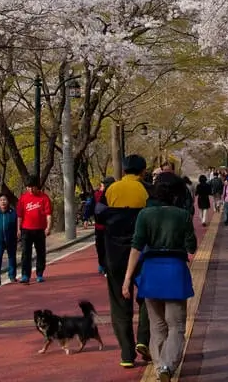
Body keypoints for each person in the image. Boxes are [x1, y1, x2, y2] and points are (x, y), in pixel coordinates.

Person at [123, 173, 197, 382]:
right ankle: (167, 364)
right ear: (176, 193)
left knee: (157, 325)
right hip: (175, 271)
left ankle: (159, 366)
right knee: (176, 325)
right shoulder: (182, 215)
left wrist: (128, 278)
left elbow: (136, 247)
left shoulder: (145, 215)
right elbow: (191, 246)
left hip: (151, 271)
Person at [97, 154, 152, 368]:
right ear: (143, 171)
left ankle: (126, 354)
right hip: (142, 251)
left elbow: (99, 218)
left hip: (114, 253)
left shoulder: (110, 190)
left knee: (119, 303)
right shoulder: (147, 190)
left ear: (124, 170)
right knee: (149, 295)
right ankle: (143, 339)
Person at [16, 176, 53, 284]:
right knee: (25, 253)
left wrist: (48, 227)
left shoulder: (44, 198)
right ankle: (25, 275)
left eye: (33, 187)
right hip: (26, 230)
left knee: (40, 252)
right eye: (28, 187)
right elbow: (19, 216)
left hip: (40, 229)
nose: (31, 190)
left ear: (38, 187)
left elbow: (48, 214)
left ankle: (39, 273)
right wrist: (18, 229)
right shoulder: (23, 198)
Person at [93, 176, 114, 275]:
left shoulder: (116, 194)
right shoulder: (97, 195)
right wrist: (85, 218)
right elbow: (92, 206)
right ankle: (102, 264)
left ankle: (107, 266)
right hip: (100, 227)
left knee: (107, 247)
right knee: (101, 247)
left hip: (111, 226)